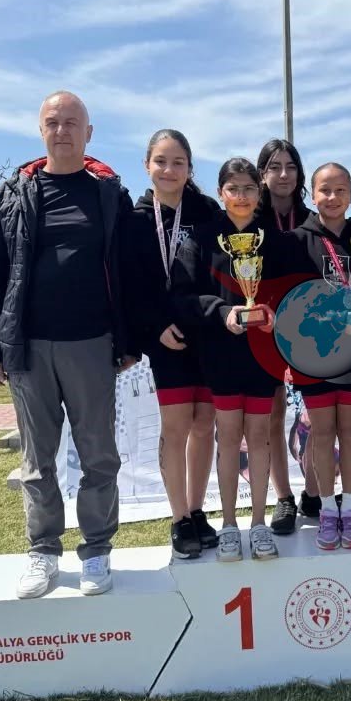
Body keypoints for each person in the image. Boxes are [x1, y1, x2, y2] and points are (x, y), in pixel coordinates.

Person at [0, 91, 133, 599]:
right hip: (28, 347)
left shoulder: (110, 195)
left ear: (89, 133)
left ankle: (97, 550)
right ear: (40, 130)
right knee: (37, 460)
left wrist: (128, 340)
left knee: (99, 456)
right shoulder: (9, 196)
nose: (62, 130)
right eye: (52, 122)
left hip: (92, 344)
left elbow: (128, 275)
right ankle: (43, 551)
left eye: (72, 122)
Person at [171, 157, 286, 562]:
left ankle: (259, 523)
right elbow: (183, 296)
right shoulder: (202, 239)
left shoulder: (274, 240)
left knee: (260, 436)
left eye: (249, 188)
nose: (241, 196)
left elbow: (294, 290)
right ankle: (229, 525)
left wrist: (276, 313)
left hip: (263, 357)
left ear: (260, 192)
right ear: (221, 193)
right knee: (229, 438)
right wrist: (222, 312)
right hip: (220, 356)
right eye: (233, 188)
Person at [122, 129, 222, 559]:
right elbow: (130, 286)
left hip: (206, 333)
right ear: (147, 165)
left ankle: (198, 510)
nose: (169, 169)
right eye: (161, 161)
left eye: (178, 162)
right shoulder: (134, 220)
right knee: (177, 426)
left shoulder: (207, 211)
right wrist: (155, 327)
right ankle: (179, 517)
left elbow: (221, 270)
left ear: (190, 168)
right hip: (166, 338)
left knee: (205, 423)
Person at [289, 162, 351, 550]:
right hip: (315, 354)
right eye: (325, 190)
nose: (333, 197)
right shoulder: (297, 241)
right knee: (322, 433)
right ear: (312, 194)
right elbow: (289, 299)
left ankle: (350, 509)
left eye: (340, 190)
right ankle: (327, 510)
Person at [254, 139, 320, 534]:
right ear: (262, 174)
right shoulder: (249, 223)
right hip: (263, 332)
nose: (283, 174)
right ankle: (283, 498)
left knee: (316, 415)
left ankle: (313, 491)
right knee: (274, 417)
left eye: (290, 166)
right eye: (274, 167)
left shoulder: (313, 220)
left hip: (309, 332)